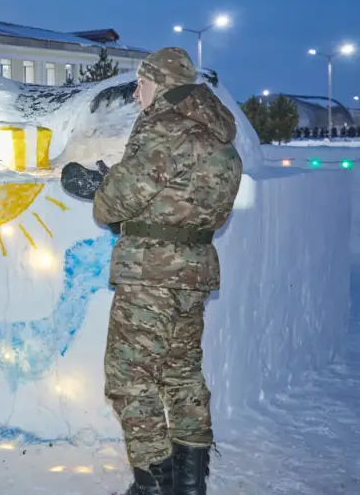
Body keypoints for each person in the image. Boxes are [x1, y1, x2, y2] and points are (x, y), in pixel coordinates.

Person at [62, 47, 243, 495]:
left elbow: (115, 203)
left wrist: (101, 186)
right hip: (194, 274)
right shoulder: (218, 135)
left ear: (160, 84)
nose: (137, 94)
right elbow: (196, 202)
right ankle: (189, 483)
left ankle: (153, 484)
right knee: (182, 375)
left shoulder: (163, 127)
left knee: (130, 379)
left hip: (151, 276)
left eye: (141, 85)